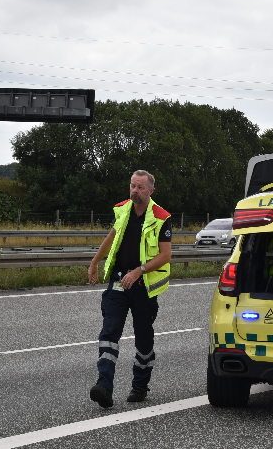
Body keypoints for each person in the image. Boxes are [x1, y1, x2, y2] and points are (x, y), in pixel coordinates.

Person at [87, 170, 172, 408]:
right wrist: (95, 262)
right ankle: (104, 385)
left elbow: (166, 255)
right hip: (118, 281)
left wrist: (139, 271)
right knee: (109, 331)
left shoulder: (161, 217)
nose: (135, 190)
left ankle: (140, 386)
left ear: (151, 190)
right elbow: (111, 236)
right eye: (133, 186)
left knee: (143, 337)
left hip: (144, 286)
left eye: (140, 187)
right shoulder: (123, 209)